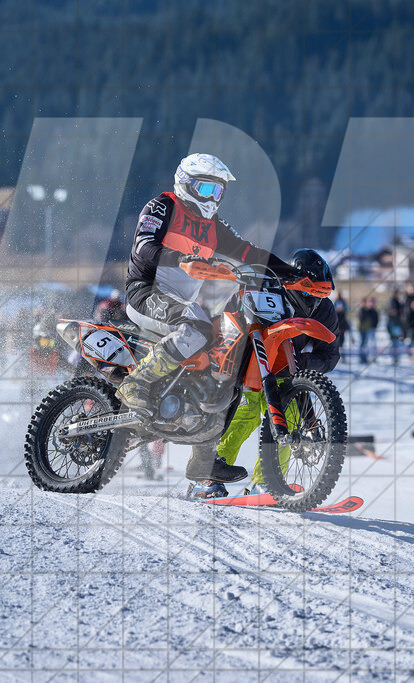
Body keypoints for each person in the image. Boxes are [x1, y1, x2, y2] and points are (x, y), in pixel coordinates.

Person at [116, 153, 297, 486]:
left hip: (183, 305)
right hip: (145, 291)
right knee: (197, 327)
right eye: (204, 188)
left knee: (223, 368)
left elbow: (249, 252)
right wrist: (181, 260)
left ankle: (203, 463)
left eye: (218, 192)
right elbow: (143, 248)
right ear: (185, 184)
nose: (212, 198)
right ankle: (135, 385)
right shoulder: (163, 206)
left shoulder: (214, 228)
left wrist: (291, 273)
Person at [206, 249, 341, 499]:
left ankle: (265, 483)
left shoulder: (325, 311)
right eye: (309, 293)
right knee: (244, 416)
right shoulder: (266, 292)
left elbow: (330, 356)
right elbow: (229, 324)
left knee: (287, 423)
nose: (314, 301)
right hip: (247, 363)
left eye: (320, 295)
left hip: (285, 368)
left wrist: (302, 362)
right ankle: (208, 478)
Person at [357, 298, 379, 364]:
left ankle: (370, 358)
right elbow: (361, 319)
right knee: (363, 344)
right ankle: (362, 358)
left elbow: (376, 320)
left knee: (370, 344)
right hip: (363, 329)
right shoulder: (362, 310)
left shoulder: (369, 310)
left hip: (369, 329)